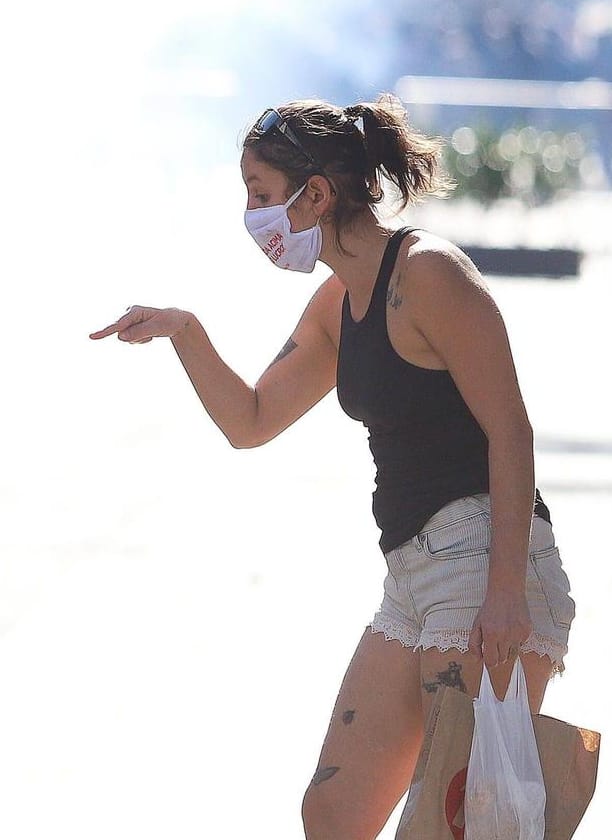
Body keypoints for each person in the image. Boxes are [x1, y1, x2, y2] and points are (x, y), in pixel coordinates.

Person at [90, 95, 576, 840]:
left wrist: (506, 591)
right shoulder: (336, 302)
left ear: (315, 194)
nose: (251, 217)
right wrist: (184, 332)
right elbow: (251, 422)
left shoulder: (429, 275)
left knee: (456, 818)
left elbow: (511, 432)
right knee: (334, 813)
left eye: (260, 195)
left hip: (485, 562)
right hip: (413, 575)